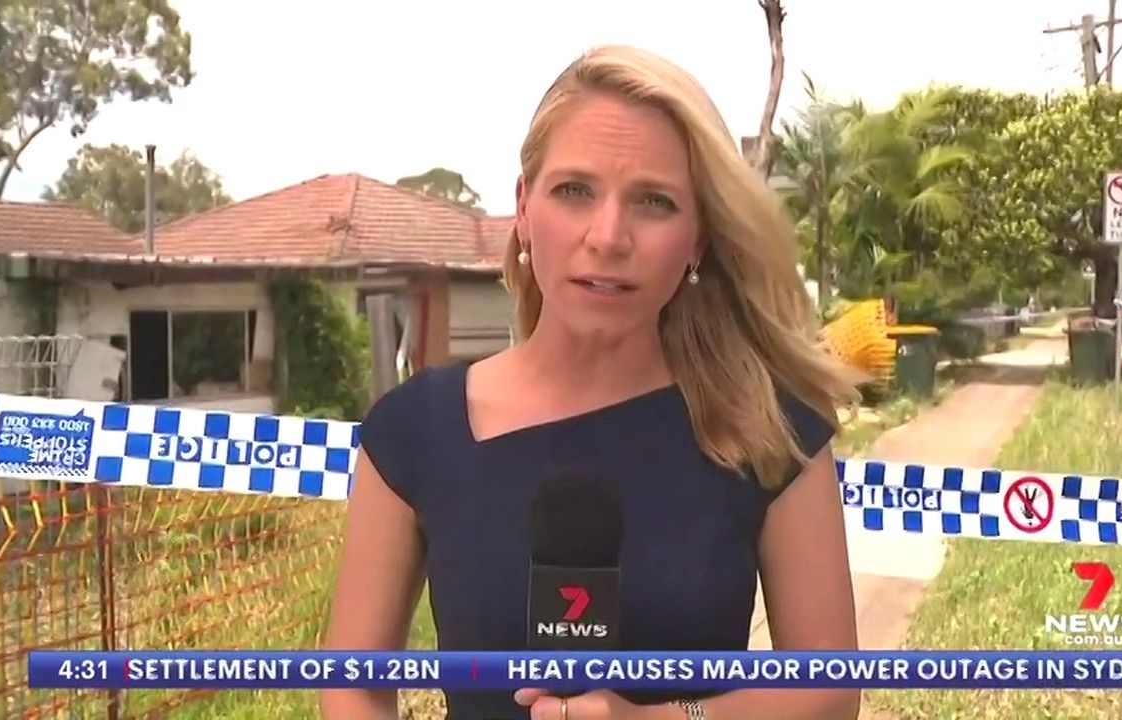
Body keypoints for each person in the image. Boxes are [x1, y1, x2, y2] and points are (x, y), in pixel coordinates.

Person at [322, 44, 863, 720]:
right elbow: (352, 685)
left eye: (654, 202)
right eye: (574, 191)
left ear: (698, 237)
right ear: (524, 207)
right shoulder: (414, 432)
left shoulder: (769, 427)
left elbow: (829, 688)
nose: (608, 237)